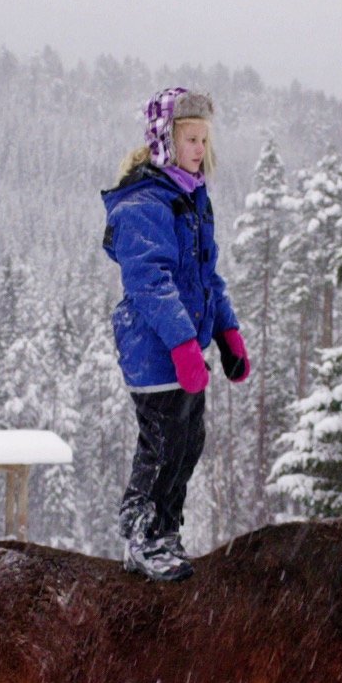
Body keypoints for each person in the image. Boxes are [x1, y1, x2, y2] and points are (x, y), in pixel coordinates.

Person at [100, 87, 251, 581]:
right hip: (152, 346)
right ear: (165, 139)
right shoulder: (144, 203)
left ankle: (164, 531)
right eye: (190, 138)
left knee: (188, 441)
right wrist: (184, 344)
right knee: (162, 441)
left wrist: (227, 334)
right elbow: (151, 284)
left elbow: (207, 277)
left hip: (185, 347)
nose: (199, 149)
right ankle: (141, 535)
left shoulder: (192, 199)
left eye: (205, 139)